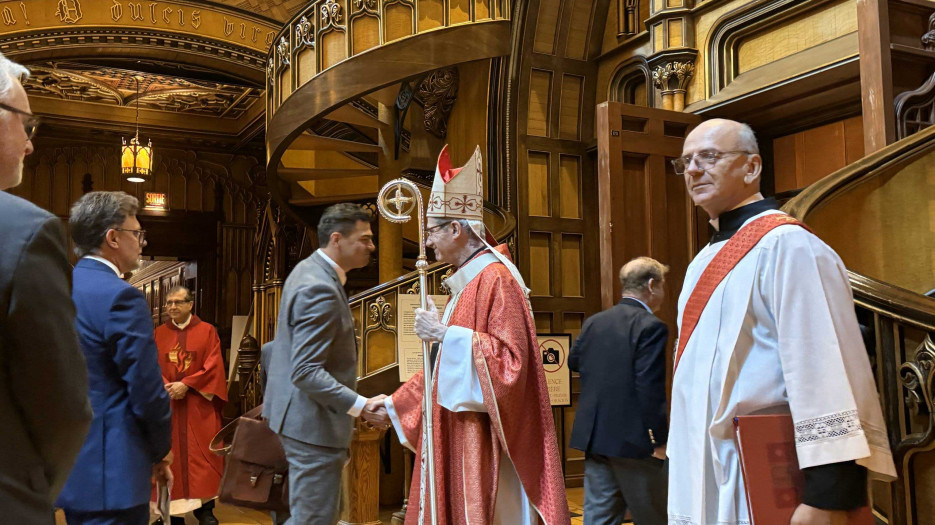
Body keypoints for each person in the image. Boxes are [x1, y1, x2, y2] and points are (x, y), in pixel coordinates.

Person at [667, 119, 897, 525]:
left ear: (751, 167)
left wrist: (828, 495)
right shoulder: (700, 260)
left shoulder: (788, 245)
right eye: (685, 162)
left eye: (709, 157)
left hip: (763, 474)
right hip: (706, 468)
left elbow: (824, 367)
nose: (693, 170)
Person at [380, 145, 571, 525]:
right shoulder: (466, 286)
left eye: (432, 231)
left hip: (489, 445)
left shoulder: (497, 280)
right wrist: (393, 406)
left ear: (456, 228)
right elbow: (440, 377)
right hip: (463, 435)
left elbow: (511, 367)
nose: (428, 242)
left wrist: (446, 336)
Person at [0, 51, 93, 524]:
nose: (31, 145)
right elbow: (63, 405)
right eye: (27, 125)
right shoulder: (24, 231)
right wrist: (35, 487)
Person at [262, 203, 387, 525]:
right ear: (337, 239)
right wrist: (362, 406)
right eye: (365, 238)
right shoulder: (319, 286)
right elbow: (305, 370)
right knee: (313, 520)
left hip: (298, 418)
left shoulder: (308, 271)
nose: (372, 246)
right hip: (311, 425)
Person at [57, 191, 174, 525]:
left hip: (70, 460)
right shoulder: (121, 297)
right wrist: (160, 449)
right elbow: (146, 390)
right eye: (136, 233)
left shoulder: (60, 288)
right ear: (112, 237)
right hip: (113, 467)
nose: (141, 242)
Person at [569, 257, 669, 525]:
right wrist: (658, 440)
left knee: (599, 517)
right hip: (634, 442)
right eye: (662, 285)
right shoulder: (651, 326)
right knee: (654, 517)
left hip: (595, 436)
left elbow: (573, 362)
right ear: (651, 285)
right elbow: (649, 387)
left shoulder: (595, 322)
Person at [154, 285, 227, 525]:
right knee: (169, 455)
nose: (172, 307)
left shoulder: (207, 331)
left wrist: (187, 384)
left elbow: (214, 365)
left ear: (190, 304)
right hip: (168, 406)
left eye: (178, 302)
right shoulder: (158, 333)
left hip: (198, 405)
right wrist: (166, 385)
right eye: (169, 303)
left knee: (203, 456)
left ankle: (205, 510)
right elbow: (150, 364)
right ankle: (171, 514)